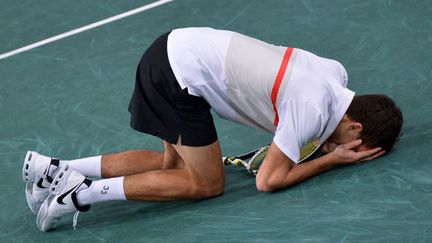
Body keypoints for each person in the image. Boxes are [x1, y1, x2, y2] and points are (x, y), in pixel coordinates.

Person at [22, 27, 403, 231]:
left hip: (172, 48)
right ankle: (81, 194)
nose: (355, 150)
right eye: (359, 145)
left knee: (173, 169)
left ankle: (55, 168)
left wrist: (324, 144)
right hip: (179, 78)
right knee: (206, 183)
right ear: (355, 126)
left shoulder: (334, 73)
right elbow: (267, 181)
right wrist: (332, 160)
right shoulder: (310, 108)